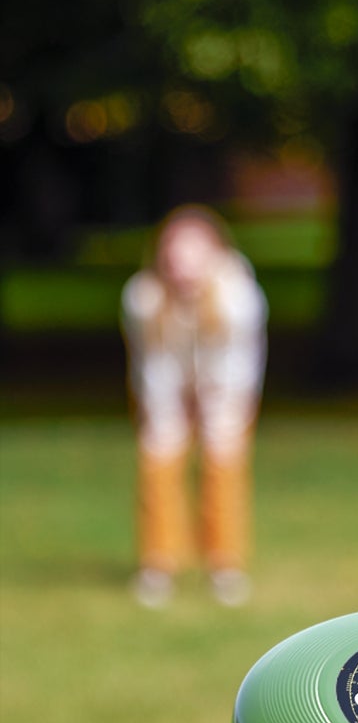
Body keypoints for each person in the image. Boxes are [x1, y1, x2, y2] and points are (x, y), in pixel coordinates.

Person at [121, 205, 268, 608]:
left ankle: (225, 565)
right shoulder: (143, 297)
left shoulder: (239, 296)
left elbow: (239, 364)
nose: (182, 265)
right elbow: (152, 364)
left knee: (223, 465)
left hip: (226, 389)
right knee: (158, 461)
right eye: (174, 254)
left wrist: (215, 408)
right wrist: (167, 413)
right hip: (165, 388)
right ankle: (158, 564)